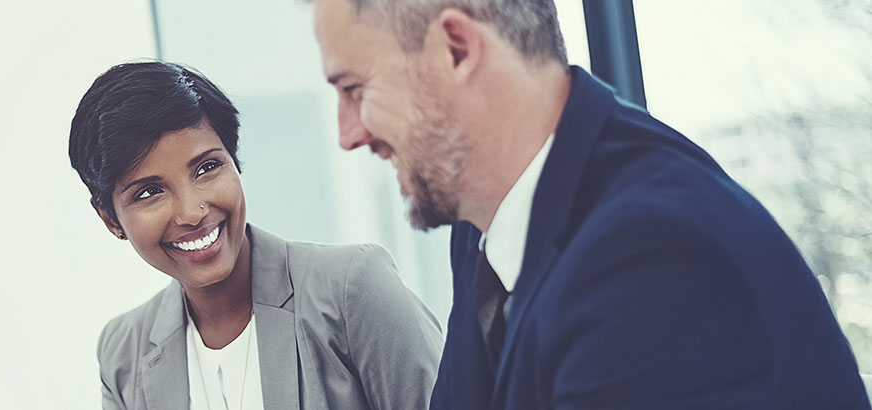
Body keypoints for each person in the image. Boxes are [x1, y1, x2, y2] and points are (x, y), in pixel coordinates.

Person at [307, 0, 870, 408]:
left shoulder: (652, 256)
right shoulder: (483, 224)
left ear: (456, 48)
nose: (347, 133)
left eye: (354, 89)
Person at [69, 61, 444, 410]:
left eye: (207, 167)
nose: (191, 212)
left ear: (236, 162)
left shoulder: (352, 289)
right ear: (110, 219)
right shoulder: (123, 353)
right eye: (149, 192)